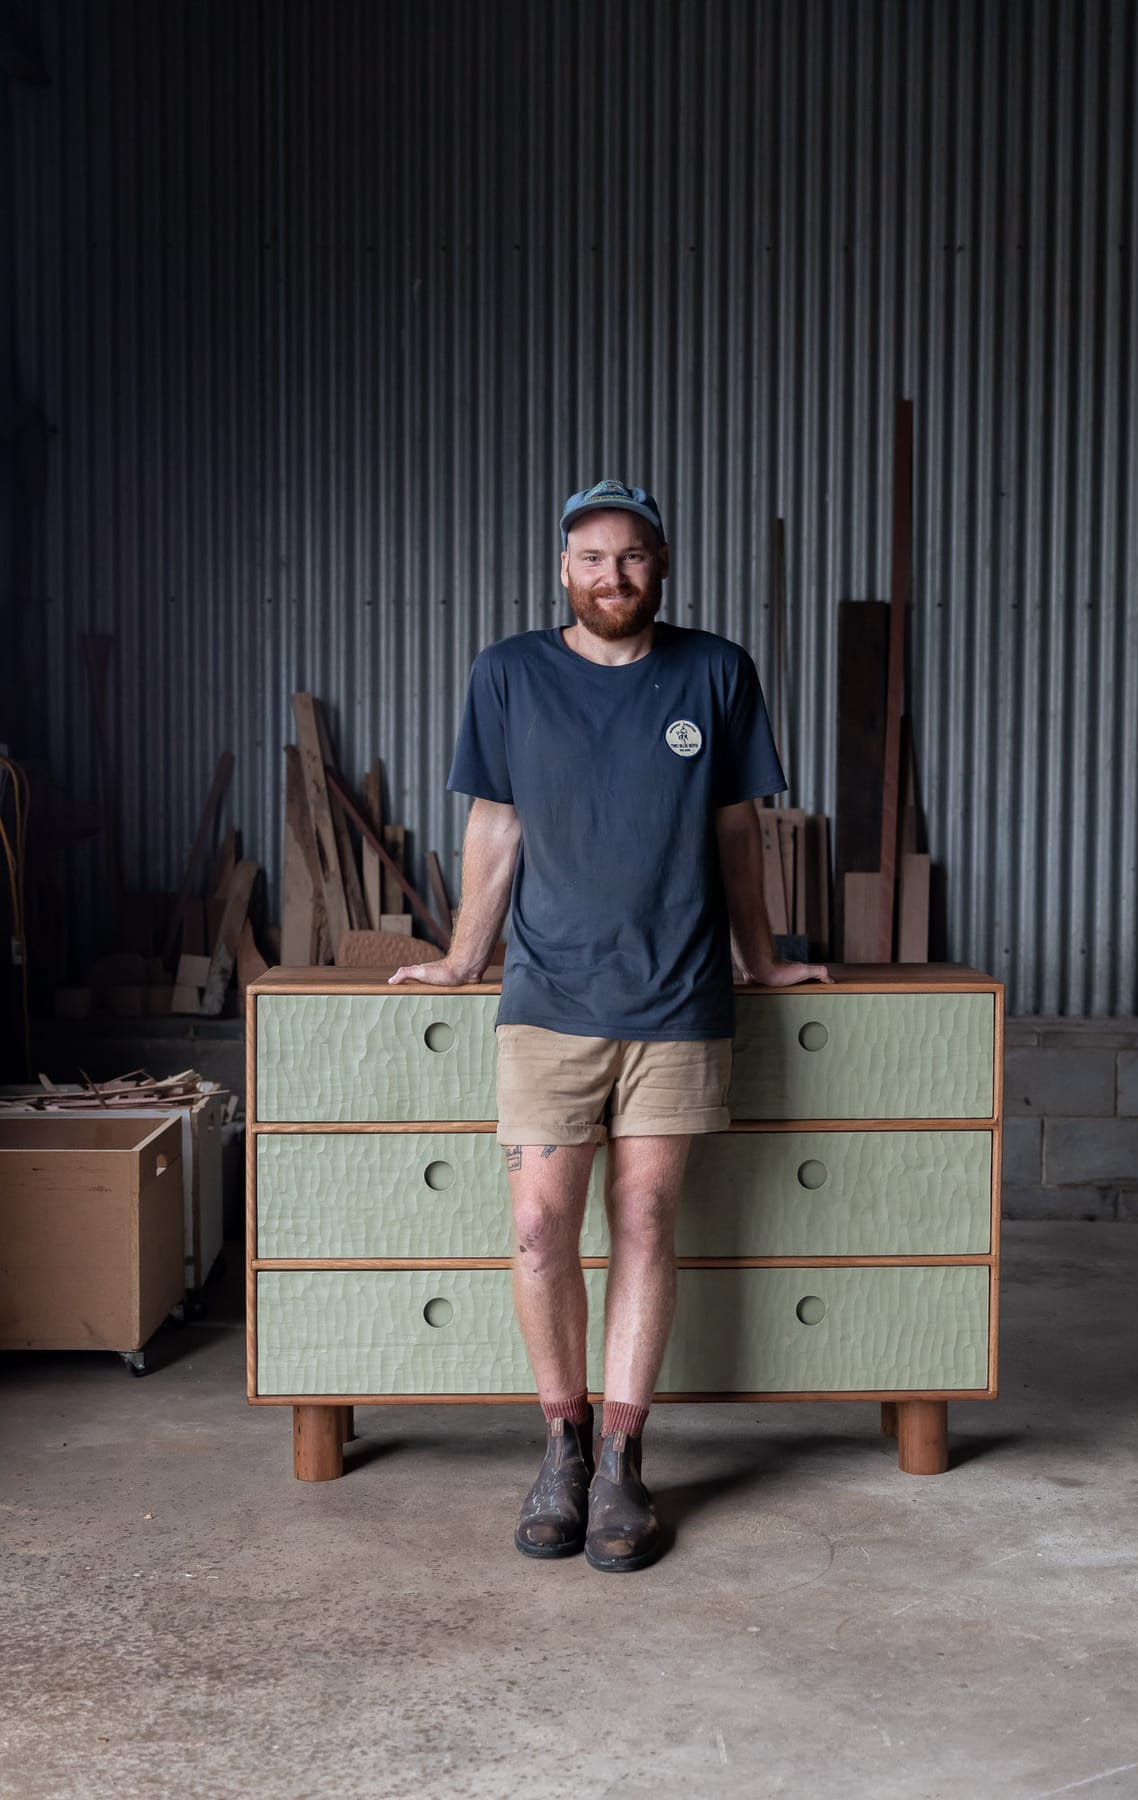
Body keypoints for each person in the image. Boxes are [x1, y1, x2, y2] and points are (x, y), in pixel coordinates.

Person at [390, 478, 832, 1573]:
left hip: (680, 1000)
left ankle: (627, 1456)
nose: (612, 577)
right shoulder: (509, 674)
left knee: (643, 1220)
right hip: (550, 1004)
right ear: (562, 569)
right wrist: (461, 956)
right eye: (591, 558)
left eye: (631, 557)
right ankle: (562, 1441)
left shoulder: (714, 671)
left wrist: (762, 958)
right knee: (542, 1229)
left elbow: (736, 830)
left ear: (663, 562)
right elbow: (495, 824)